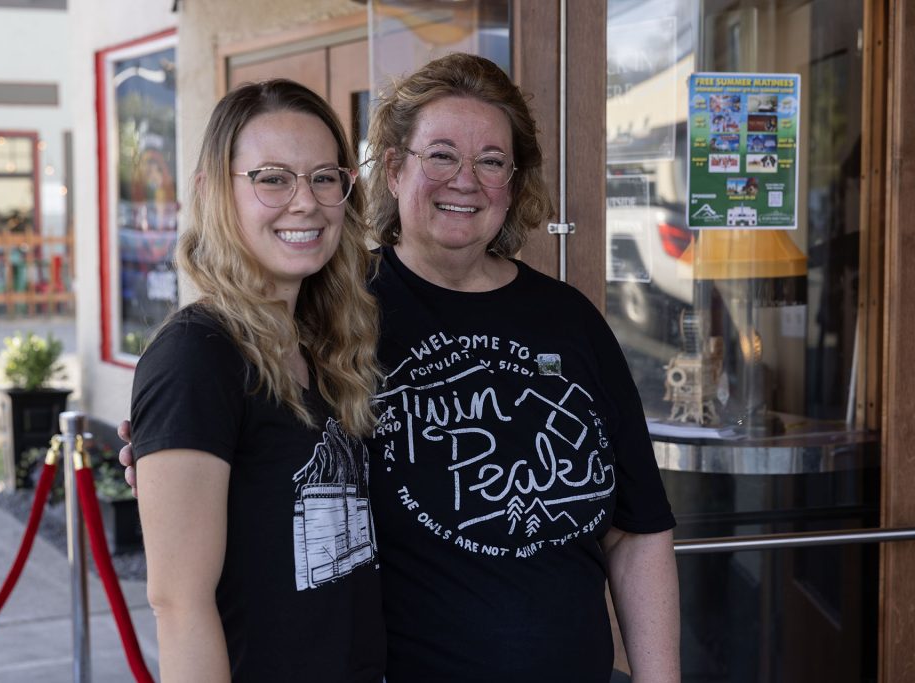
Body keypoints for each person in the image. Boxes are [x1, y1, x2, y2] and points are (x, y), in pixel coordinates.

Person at [123, 54, 679, 682]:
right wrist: (166, 444)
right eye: (440, 155)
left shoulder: (567, 321)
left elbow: (638, 527)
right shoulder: (334, 315)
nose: (464, 180)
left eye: (491, 162)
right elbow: (187, 571)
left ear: (514, 182)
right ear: (391, 168)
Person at [127, 79, 385, 682]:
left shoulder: (324, 346)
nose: (306, 202)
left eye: (325, 177)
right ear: (214, 191)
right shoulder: (198, 355)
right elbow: (177, 604)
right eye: (272, 177)